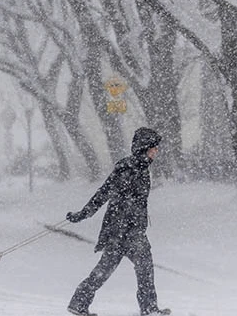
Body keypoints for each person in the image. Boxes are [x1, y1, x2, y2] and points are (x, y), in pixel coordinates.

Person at [65, 127, 171, 316]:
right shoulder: (127, 167)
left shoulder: (143, 168)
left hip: (131, 230)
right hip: (121, 230)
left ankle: (79, 302)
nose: (157, 151)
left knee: (123, 267)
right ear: (144, 148)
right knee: (123, 267)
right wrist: (83, 214)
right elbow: (104, 192)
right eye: (153, 148)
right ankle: (148, 308)